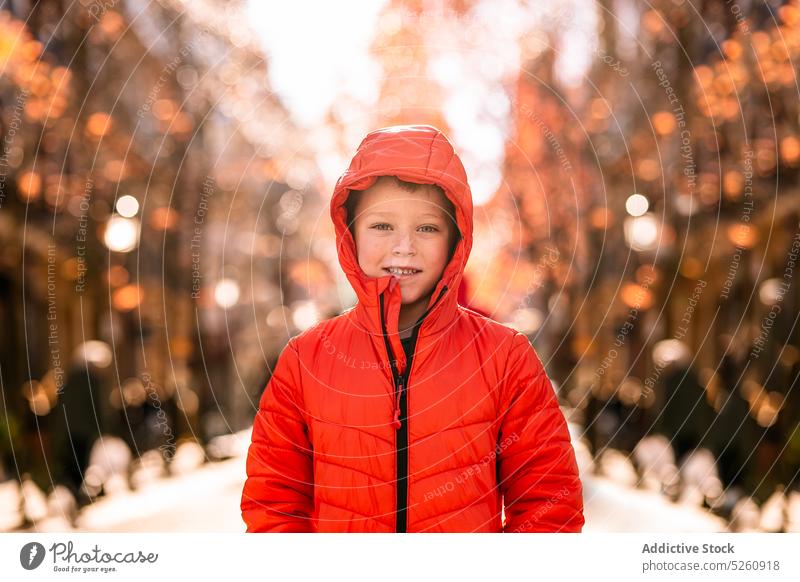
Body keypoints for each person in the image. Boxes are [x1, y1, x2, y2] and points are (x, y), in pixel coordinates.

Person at [241, 125, 584, 533]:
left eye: (427, 228)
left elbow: (548, 501)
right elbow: (275, 503)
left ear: (456, 239)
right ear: (350, 235)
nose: (404, 246)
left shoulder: (505, 357)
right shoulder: (307, 360)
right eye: (382, 226)